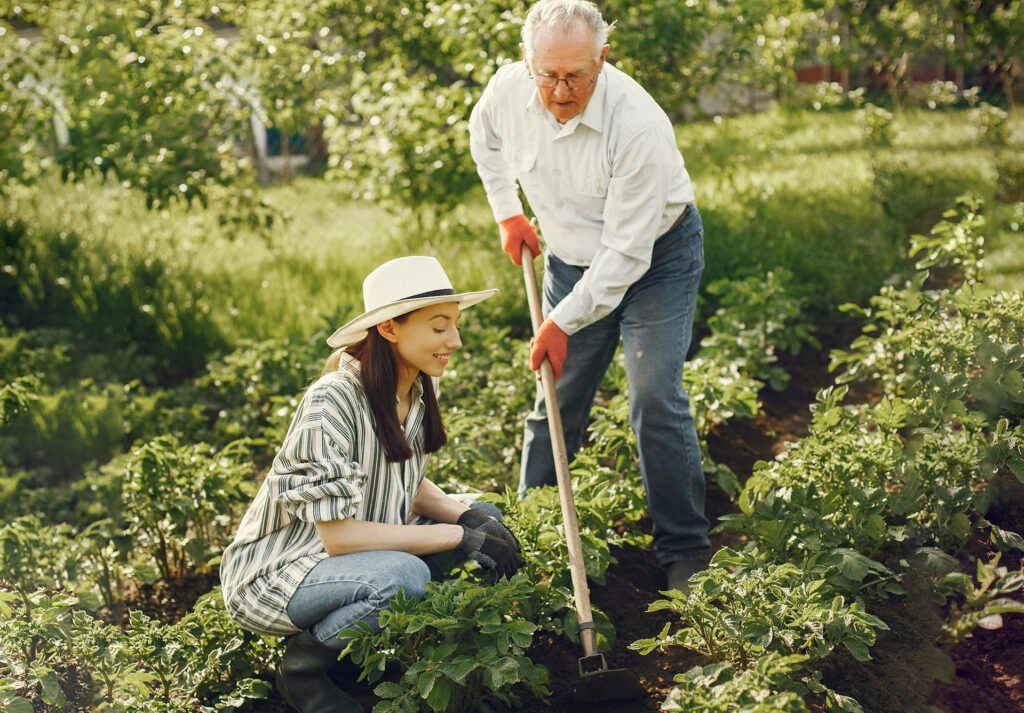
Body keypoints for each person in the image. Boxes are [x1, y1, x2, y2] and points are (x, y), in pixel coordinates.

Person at [468, 0, 710, 593]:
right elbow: (485, 139)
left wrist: (561, 322)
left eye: (575, 74)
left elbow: (626, 256)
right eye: (547, 74)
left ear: (603, 58)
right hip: (570, 258)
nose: (559, 89)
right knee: (555, 393)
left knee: (655, 394)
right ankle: (527, 533)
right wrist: (508, 215)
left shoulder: (637, 124)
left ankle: (685, 549)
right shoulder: (507, 91)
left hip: (657, 258)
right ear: (527, 62)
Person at [220, 256, 522, 713]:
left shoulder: (416, 388)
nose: (455, 341)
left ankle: (366, 648)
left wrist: (469, 518)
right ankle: (302, 668)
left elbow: (403, 479)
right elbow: (339, 538)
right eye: (440, 327)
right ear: (389, 328)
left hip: (352, 553)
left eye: (456, 326)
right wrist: (456, 535)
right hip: (283, 570)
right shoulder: (333, 400)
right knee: (404, 577)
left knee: (488, 520)